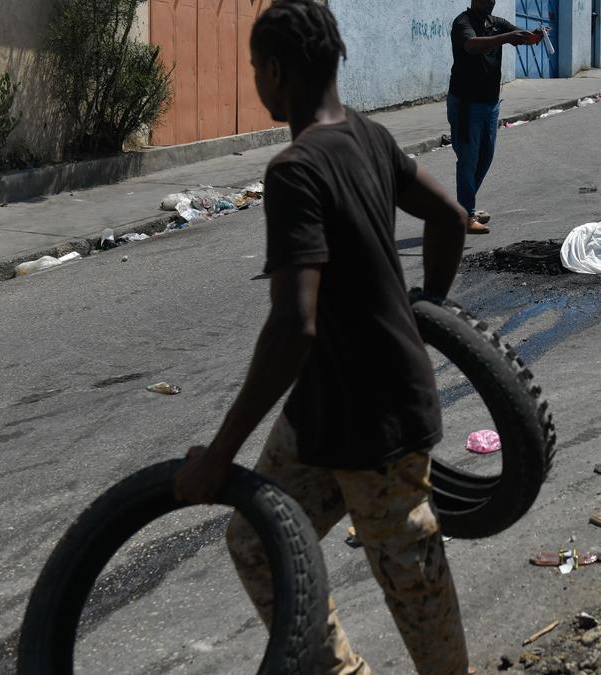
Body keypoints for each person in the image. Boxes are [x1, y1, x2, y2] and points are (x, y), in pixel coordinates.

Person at [172, 2, 473, 673]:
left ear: (276, 71)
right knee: (256, 542)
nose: (256, 79)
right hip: (322, 411)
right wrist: (426, 307)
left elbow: (293, 324)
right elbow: (450, 218)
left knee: (412, 580)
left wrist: (221, 453)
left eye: (255, 67)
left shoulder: (294, 170)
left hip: (381, 422)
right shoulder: (370, 135)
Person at [447, 1, 543, 235]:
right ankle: (465, 214)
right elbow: (471, 46)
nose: (491, 1)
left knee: (485, 158)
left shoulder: (496, 24)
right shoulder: (463, 23)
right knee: (468, 159)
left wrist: (534, 37)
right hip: (466, 103)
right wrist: (508, 36)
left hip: (490, 104)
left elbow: (521, 36)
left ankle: (461, 209)